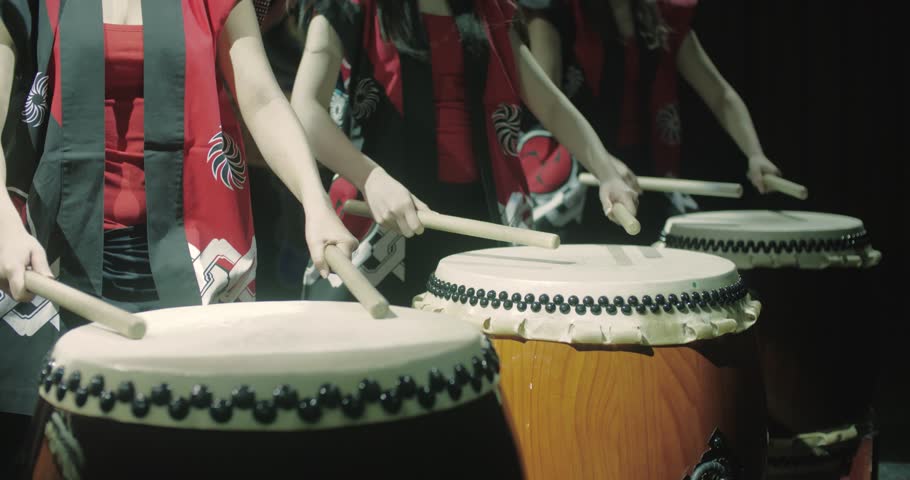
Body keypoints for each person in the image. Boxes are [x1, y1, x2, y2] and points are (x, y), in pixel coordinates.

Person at [0, 0, 356, 474]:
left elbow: (262, 98)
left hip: (190, 260)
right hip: (51, 259)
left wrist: (315, 202)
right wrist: (3, 223)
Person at [291, 0, 640, 306]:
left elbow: (549, 103)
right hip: (383, 216)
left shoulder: (483, 9)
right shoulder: (351, 5)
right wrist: (370, 177)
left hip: (474, 221)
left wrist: (605, 170)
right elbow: (305, 109)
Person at [520, 0, 783, 241]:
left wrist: (755, 154)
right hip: (578, 174)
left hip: (646, 172)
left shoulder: (659, 15)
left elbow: (720, 94)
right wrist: (605, 167)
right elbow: (547, 107)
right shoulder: (557, 11)